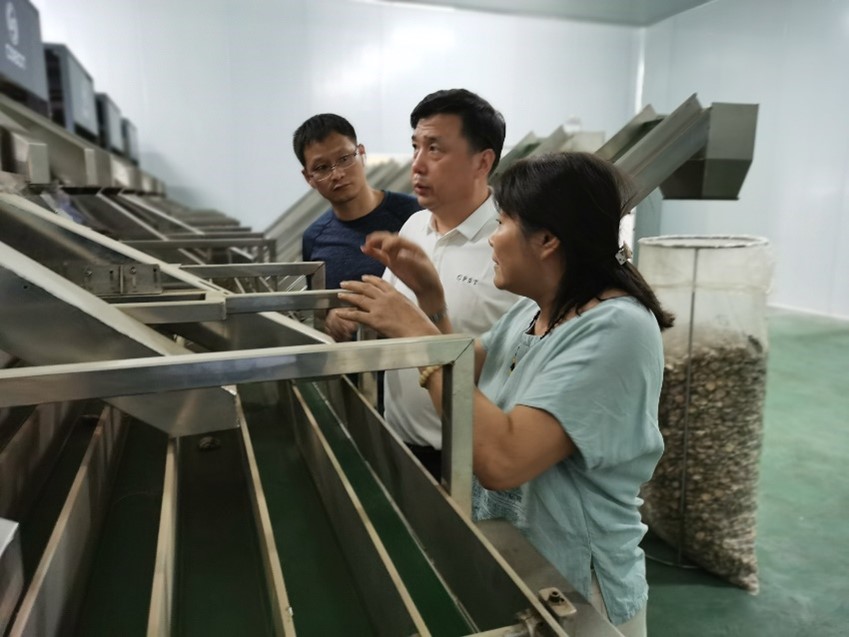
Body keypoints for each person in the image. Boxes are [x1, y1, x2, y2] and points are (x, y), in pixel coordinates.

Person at [336, 152, 674, 637]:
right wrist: (430, 299)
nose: (493, 239)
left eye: (503, 223)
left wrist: (417, 333)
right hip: (520, 561)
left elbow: (503, 460)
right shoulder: (531, 312)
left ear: (547, 240)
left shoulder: (616, 329)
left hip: (580, 589)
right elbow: (464, 370)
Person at [379, 88, 519, 478]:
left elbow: (517, 362)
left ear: (482, 161)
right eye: (415, 147)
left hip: (468, 462)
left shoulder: (511, 244)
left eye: (435, 149)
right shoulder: (413, 226)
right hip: (398, 443)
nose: (417, 165)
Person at [293, 113, 420, 342]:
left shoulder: (415, 215)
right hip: (353, 362)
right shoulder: (314, 238)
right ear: (308, 177)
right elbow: (320, 312)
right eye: (321, 167)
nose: (337, 174)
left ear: (361, 153)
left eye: (344, 159)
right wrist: (330, 318)